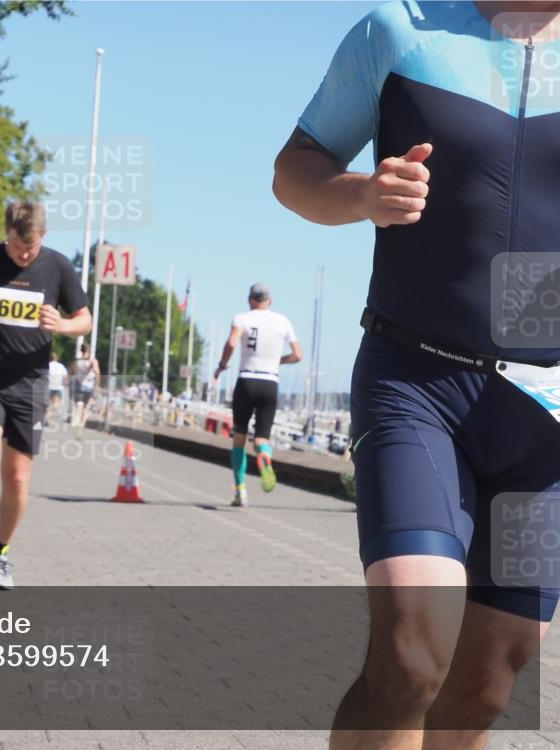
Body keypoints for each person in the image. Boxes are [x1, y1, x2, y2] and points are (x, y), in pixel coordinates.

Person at [273, 2, 560, 748]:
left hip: (548, 420)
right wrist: (363, 196)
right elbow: (294, 171)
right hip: (418, 385)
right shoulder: (399, 31)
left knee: (488, 680)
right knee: (410, 655)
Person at [0, 201, 91, 594]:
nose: (23, 254)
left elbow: (86, 319)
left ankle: (0, 553)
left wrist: (64, 324)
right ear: (5, 233)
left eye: (31, 247)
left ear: (44, 237)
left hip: (31, 382)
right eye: (15, 246)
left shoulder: (57, 267)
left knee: (18, 477)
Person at [214, 283, 302, 508]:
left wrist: (222, 365)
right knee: (262, 438)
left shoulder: (242, 318)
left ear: (250, 300)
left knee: (239, 439)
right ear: (269, 301)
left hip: (246, 380)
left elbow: (232, 342)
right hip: (269, 382)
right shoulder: (283, 321)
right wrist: (278, 361)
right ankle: (264, 456)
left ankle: (240, 490)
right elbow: (297, 355)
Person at [70, 343, 100, 439]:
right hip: (88, 385)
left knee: (79, 403)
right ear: (88, 351)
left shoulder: (77, 361)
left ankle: (78, 419)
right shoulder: (93, 361)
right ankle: (82, 424)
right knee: (86, 406)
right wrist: (97, 384)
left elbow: (71, 371)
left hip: (78, 384)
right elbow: (97, 372)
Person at [46, 352, 68, 427]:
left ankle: (47, 414)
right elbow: (65, 376)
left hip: (48, 386)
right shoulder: (61, 366)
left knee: (48, 403)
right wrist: (65, 384)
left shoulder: (48, 365)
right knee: (56, 403)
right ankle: (49, 413)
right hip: (58, 387)